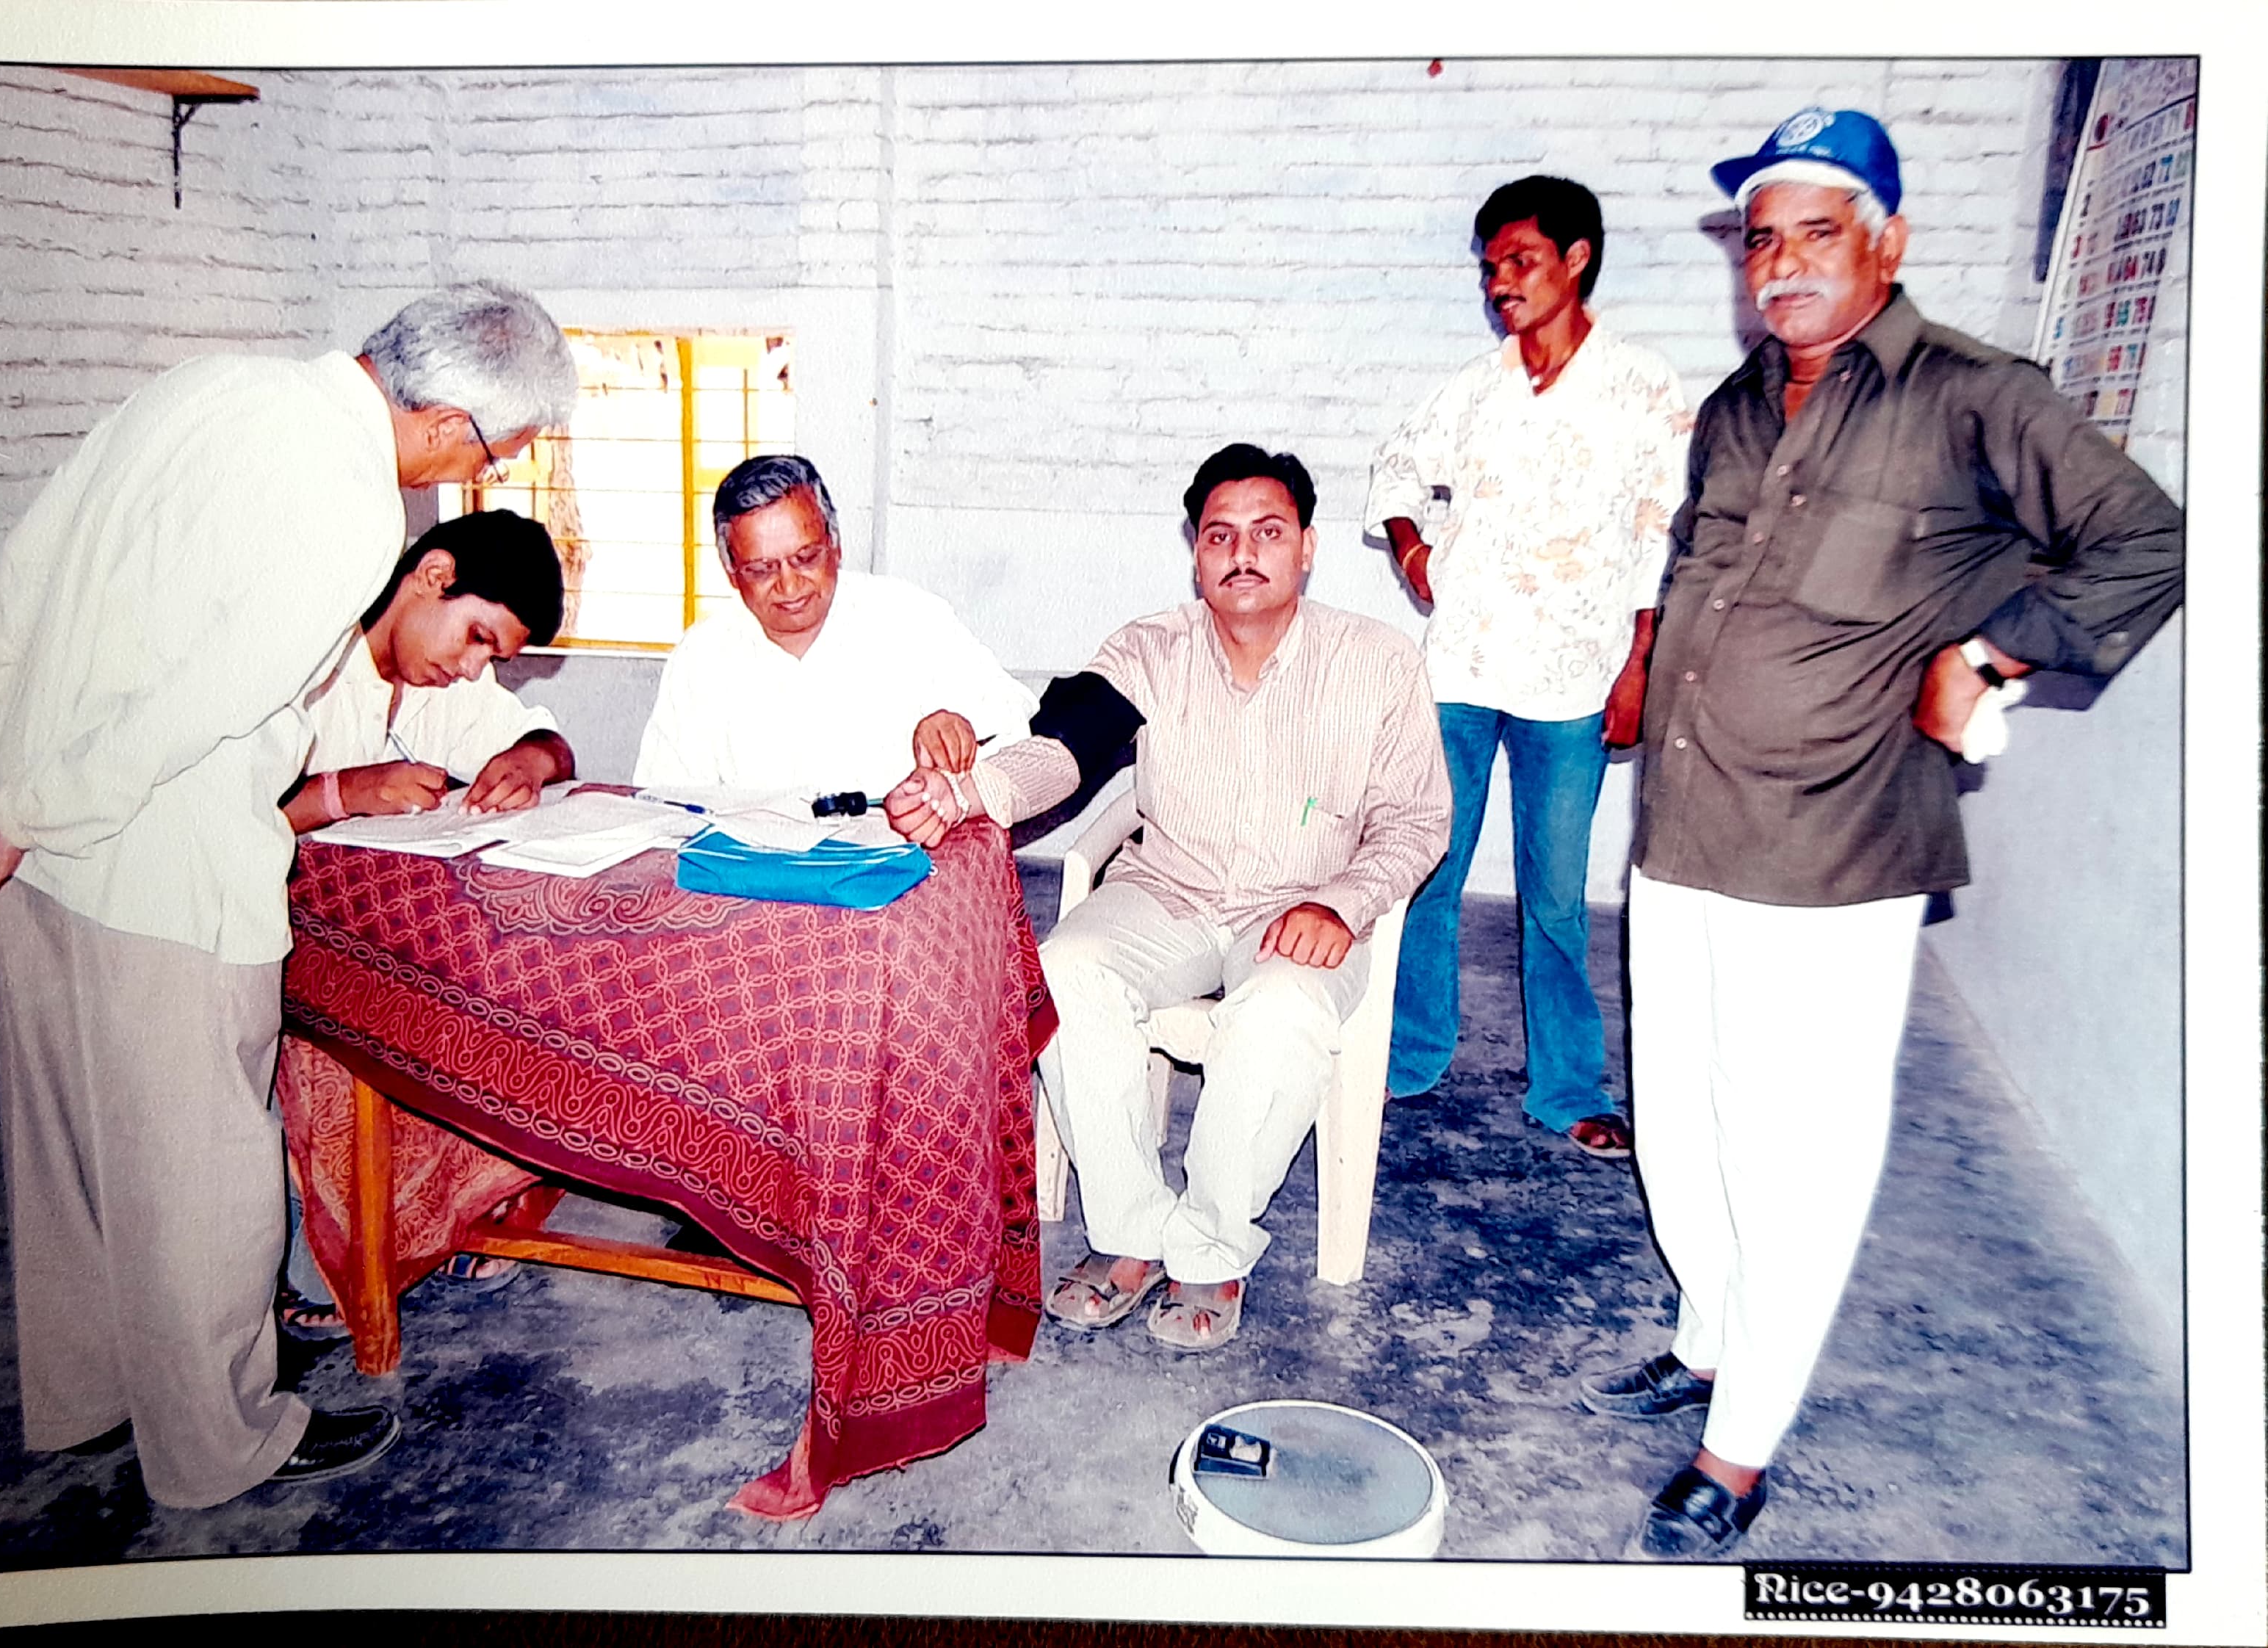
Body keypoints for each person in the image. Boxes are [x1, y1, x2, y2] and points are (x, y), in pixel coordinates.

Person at [1583, 109, 2184, 1559]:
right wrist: (1641, 662)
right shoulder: (1739, 405)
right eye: (1763, 239)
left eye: (1816, 234)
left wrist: (1994, 655)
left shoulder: (1979, 398)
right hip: (1688, 823)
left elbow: (2147, 540)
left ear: (1890, 243)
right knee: (1688, 1116)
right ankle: (1711, 1339)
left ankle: (1742, 1452)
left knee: (1799, 1147)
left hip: (1839, 849)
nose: (1780, 266)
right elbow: (1699, 574)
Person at [0, 282, 580, 1506]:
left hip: (50, 852)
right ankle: (218, 1438)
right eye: (492, 451)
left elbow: (20, 578)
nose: (463, 470)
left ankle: (85, 1396)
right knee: (203, 1166)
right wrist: (16, 811)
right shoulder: (346, 500)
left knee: (69, 1153)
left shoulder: (202, 387)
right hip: (162, 860)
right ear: (448, 420)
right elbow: (201, 701)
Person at [884, 444, 1452, 1351]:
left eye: (1268, 533)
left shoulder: (1379, 663)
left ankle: (1213, 1248)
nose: (1243, 554)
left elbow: (1418, 821)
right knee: (1064, 969)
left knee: (1280, 1011)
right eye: (1219, 534)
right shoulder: (1149, 648)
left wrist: (1346, 901)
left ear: (1307, 547)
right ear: (1196, 551)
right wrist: (969, 792)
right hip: (1170, 891)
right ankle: (1130, 1235)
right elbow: (1068, 746)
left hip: (1302, 906)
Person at [1365, 175, 1692, 1159]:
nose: (1501, 283)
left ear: (1577, 258)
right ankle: (1410, 1057)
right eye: (1490, 268)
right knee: (1429, 870)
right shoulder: (1474, 389)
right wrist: (1414, 548)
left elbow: (1661, 535)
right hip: (1460, 671)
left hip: (1575, 682)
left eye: (1520, 261)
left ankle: (1566, 1088)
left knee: (1555, 895)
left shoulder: (1642, 387)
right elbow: (1393, 468)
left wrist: (1639, 666)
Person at [272, 507, 576, 1334]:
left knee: (518, 988)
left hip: (383, 927)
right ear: (433, 576)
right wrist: (343, 793)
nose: (474, 665)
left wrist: (529, 759)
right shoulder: (304, 660)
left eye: (495, 655)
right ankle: (336, 1258)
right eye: (475, 636)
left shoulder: (449, 681)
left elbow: (551, 744)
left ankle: (455, 1215)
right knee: (344, 1043)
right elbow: (210, 804)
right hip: (274, 934)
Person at [632, 453, 1034, 800]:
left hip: (895, 865)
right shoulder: (702, 656)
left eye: (806, 558)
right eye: (762, 570)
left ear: (836, 544)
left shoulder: (909, 618)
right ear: (731, 573)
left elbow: (1017, 717)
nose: (789, 587)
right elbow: (665, 798)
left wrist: (959, 727)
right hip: (756, 876)